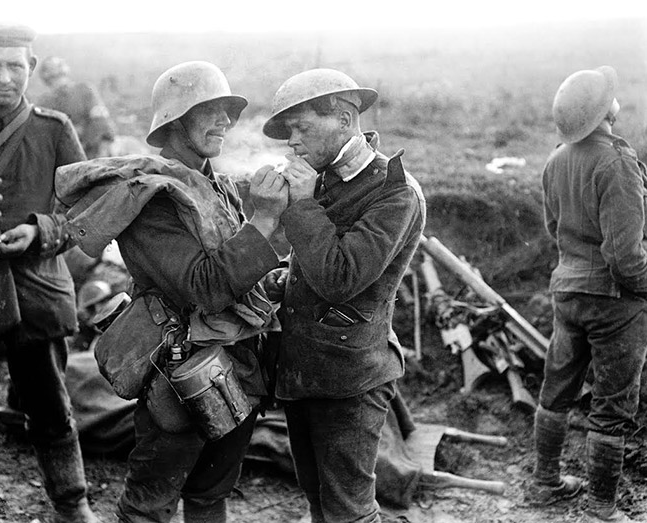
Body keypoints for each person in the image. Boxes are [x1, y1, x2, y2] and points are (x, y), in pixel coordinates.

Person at [55, 60, 288, 523]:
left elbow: (235, 271)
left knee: (210, 493)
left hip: (238, 370)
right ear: (175, 119)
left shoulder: (215, 186)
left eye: (228, 111)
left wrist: (273, 281)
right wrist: (264, 219)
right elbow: (204, 288)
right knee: (149, 505)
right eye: (210, 110)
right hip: (180, 373)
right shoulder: (152, 196)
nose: (225, 120)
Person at [259, 68, 426, 523]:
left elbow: (341, 277)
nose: (292, 142)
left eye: (301, 127)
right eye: (288, 131)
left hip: (351, 379)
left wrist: (302, 205)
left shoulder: (394, 192)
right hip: (305, 370)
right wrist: (284, 278)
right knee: (317, 497)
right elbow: (316, 260)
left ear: (345, 119)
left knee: (348, 510)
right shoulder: (325, 177)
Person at [0, 23, 100, 523]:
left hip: (36, 291)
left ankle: (72, 503)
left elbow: (86, 213)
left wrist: (39, 230)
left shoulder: (54, 129)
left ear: (31, 67)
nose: (3, 77)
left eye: (14, 65)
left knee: (49, 405)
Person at [525, 66, 647, 523]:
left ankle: (545, 484)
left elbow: (553, 228)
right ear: (604, 112)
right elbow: (625, 258)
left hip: (568, 290)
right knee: (613, 405)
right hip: (614, 301)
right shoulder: (617, 163)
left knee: (556, 389)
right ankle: (602, 507)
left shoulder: (557, 160)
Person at [38, 55, 116, 158]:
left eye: (58, 65)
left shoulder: (84, 90)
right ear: (46, 76)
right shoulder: (44, 102)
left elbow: (101, 120)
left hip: (93, 150)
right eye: (51, 67)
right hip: (64, 155)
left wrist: (102, 152)